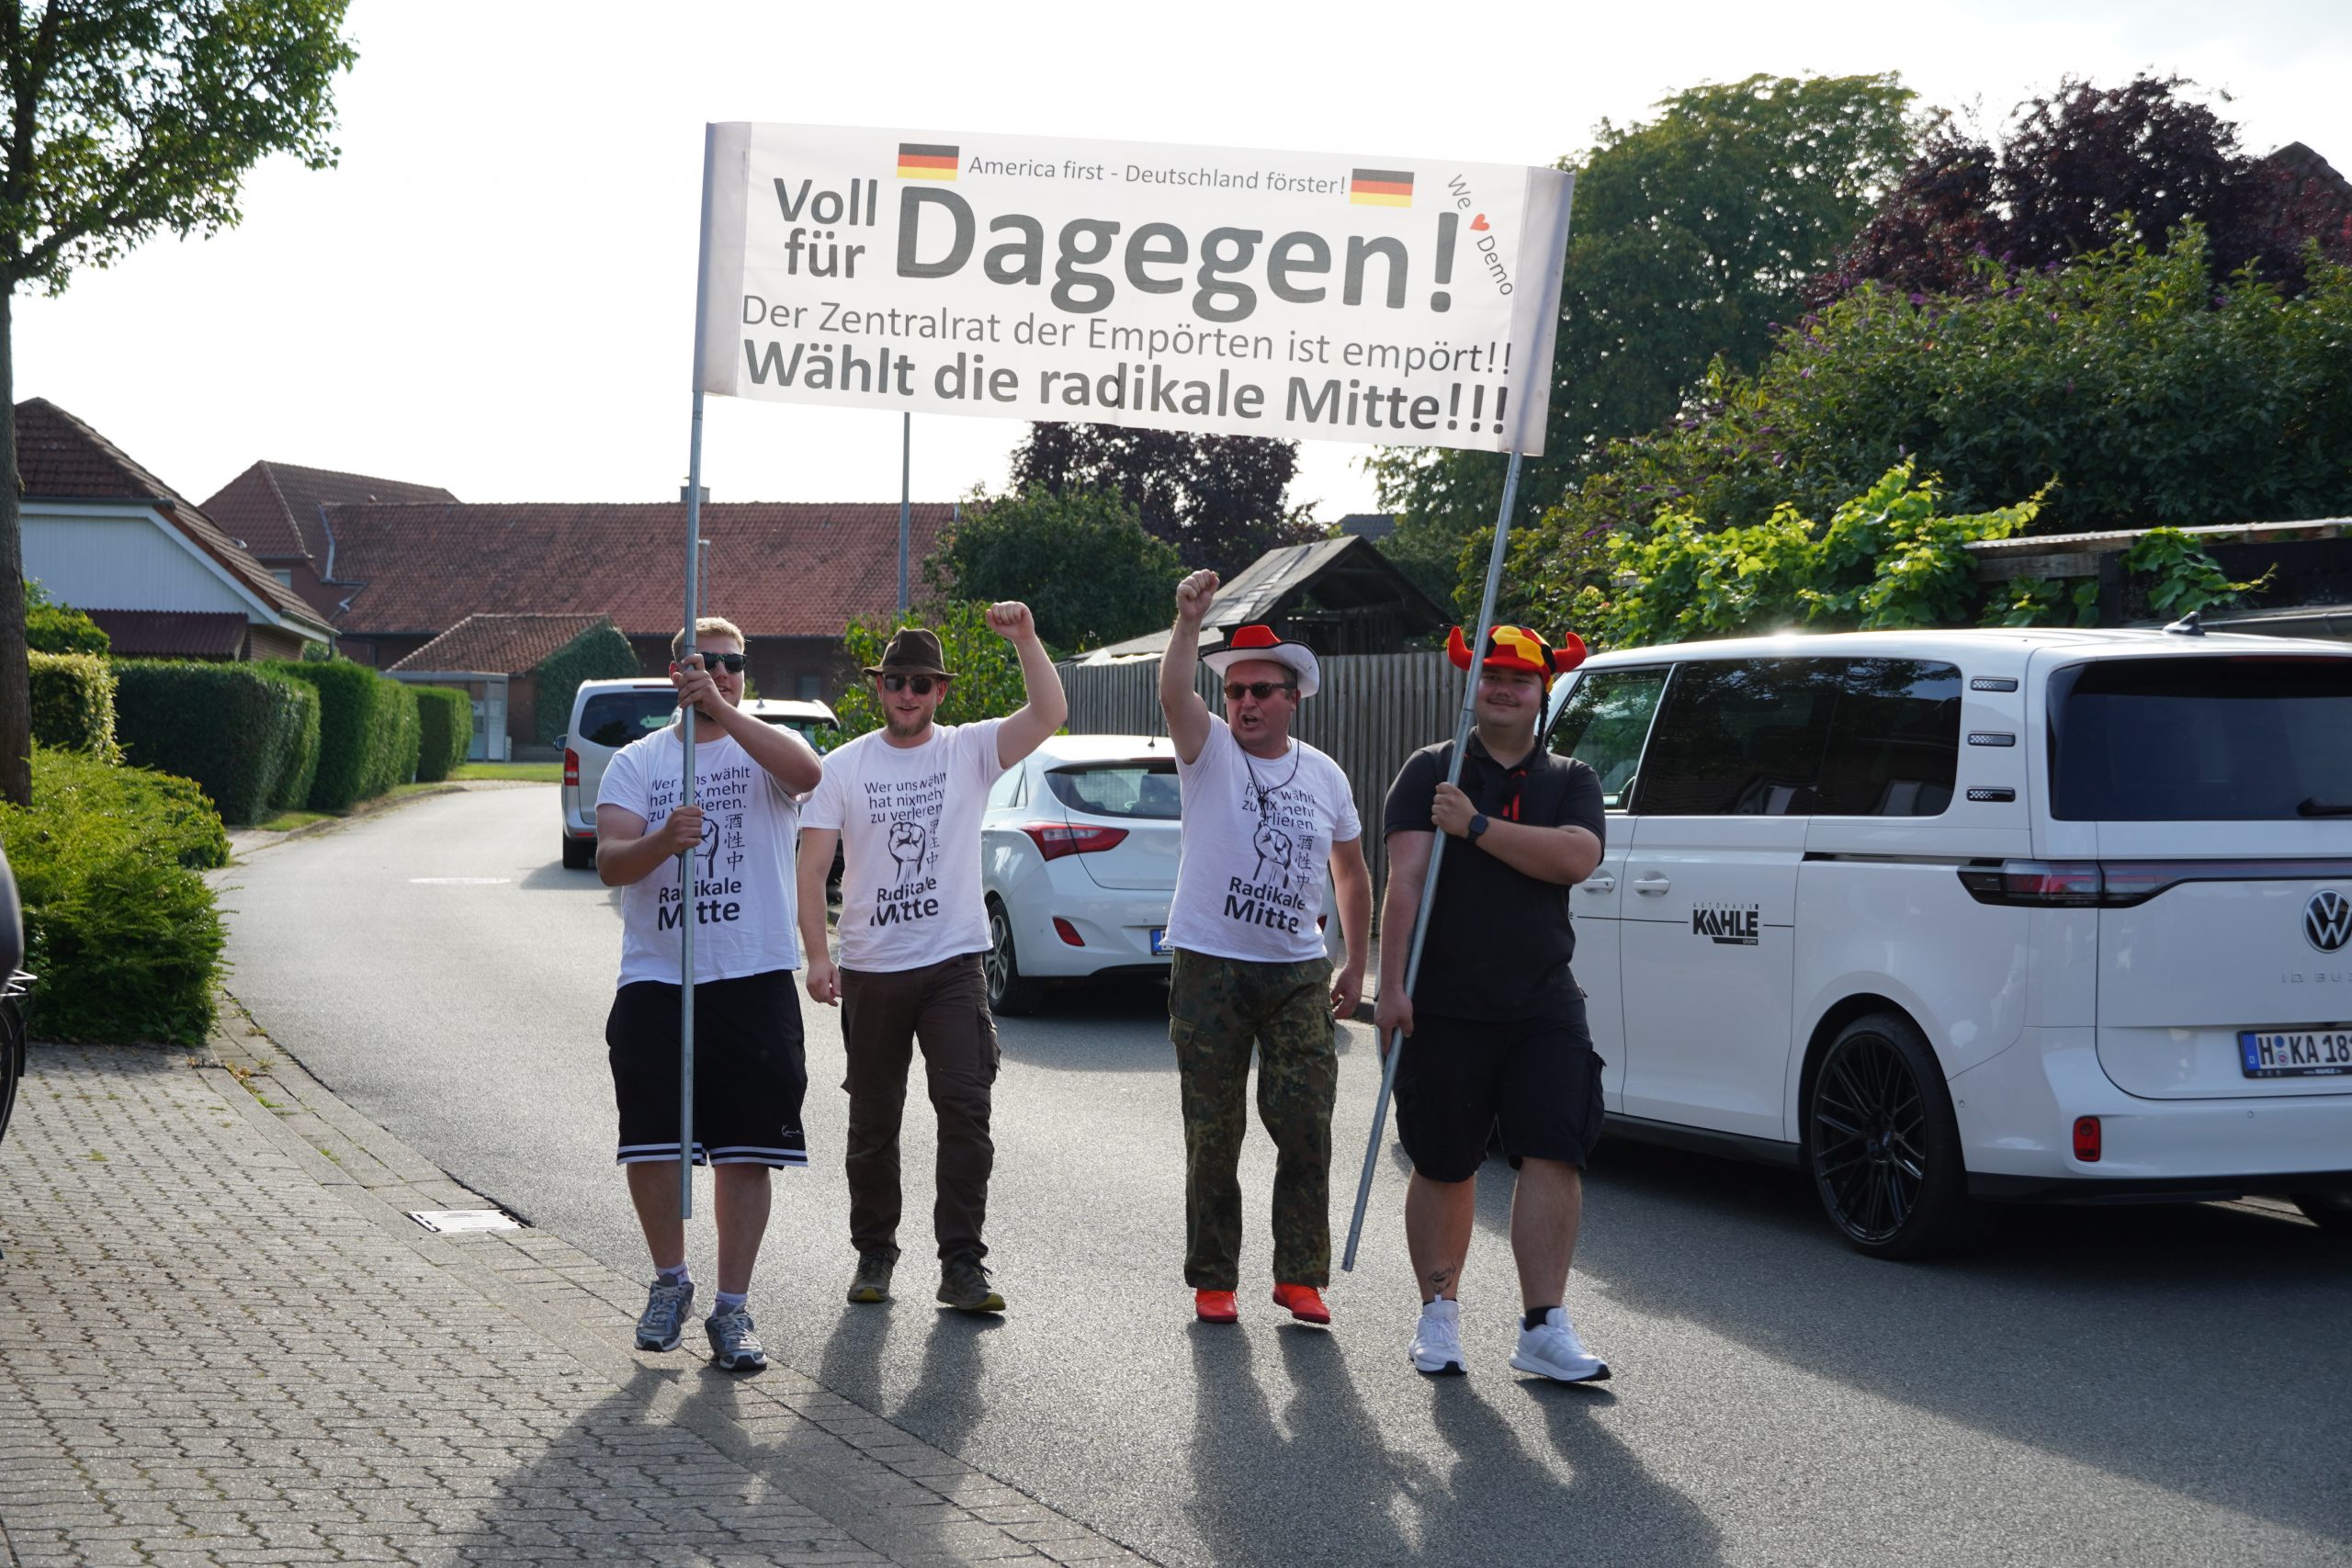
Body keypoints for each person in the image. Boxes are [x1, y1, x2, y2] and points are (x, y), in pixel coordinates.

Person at [797, 607, 1067, 1314]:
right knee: (873, 1119)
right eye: (896, 681)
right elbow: (813, 864)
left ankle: (962, 1263)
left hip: (953, 963)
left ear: (940, 691)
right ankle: (874, 1252)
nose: (907, 694)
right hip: (872, 968)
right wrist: (818, 954)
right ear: (879, 687)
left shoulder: (968, 750)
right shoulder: (844, 766)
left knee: (966, 1110)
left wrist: (1025, 640)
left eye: (921, 683)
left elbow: (1049, 713)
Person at [1375, 623, 1609, 1382]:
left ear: (1544, 692)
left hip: (1543, 999)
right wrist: (1392, 986)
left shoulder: (1570, 777)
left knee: (1555, 1149)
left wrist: (1474, 825)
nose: (1504, 689)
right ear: (1473, 684)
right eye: (1492, 676)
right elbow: (1405, 882)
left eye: (1520, 680)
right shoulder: (1430, 769)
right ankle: (1438, 1315)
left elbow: (1575, 856)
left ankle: (1544, 1326)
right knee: (1444, 1160)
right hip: (1444, 1001)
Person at [594, 617, 824, 1372]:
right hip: (660, 975)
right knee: (653, 1141)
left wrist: (722, 711)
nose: (722, 672)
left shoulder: (764, 748)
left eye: (734, 663)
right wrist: (663, 840)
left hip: (752, 973)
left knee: (747, 1149)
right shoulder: (637, 761)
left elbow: (809, 774)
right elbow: (611, 861)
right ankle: (670, 1281)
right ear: (677, 672)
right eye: (707, 662)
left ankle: (733, 1307)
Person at [1159, 570, 1372, 1326]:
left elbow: (1351, 871)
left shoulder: (1326, 775)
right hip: (1209, 964)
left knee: (1306, 1122)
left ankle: (1299, 1276)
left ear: (1293, 697)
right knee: (1214, 1133)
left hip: (1297, 972)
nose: (1245, 702)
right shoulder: (1209, 750)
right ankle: (1214, 1278)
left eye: (1260, 690)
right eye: (1235, 691)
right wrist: (1188, 623)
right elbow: (1175, 694)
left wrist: (1356, 961)